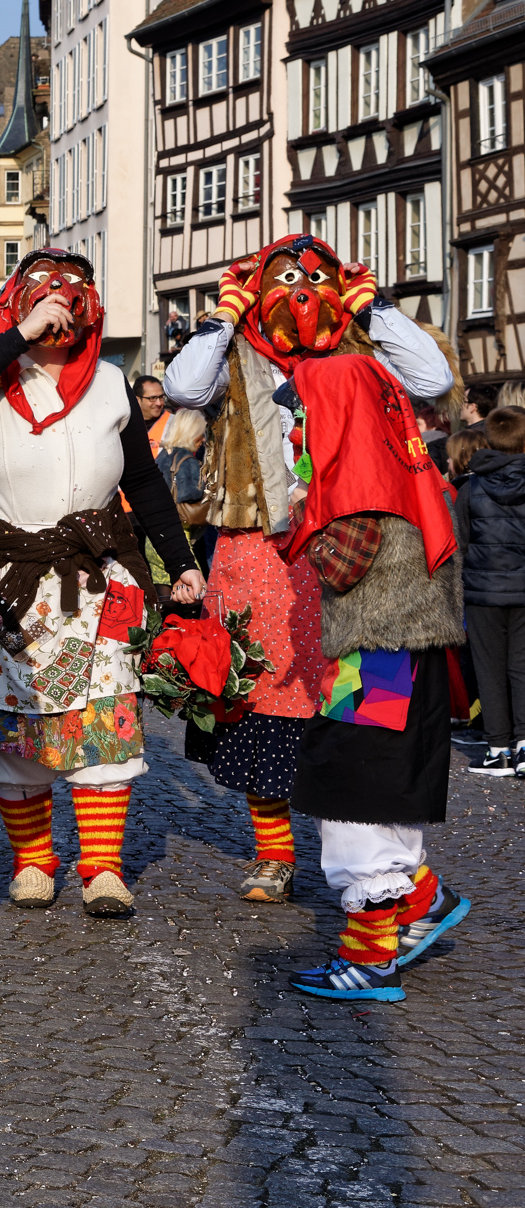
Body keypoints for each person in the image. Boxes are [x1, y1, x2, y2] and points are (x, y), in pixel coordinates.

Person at [164, 233, 455, 903]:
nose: (301, 290)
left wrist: (370, 304)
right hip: (258, 547)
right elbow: (183, 387)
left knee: (363, 707)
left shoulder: (361, 351)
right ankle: (277, 853)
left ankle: (389, 872)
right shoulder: (239, 350)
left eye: (315, 277)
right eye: (286, 277)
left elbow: (434, 379)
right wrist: (225, 314)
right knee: (256, 695)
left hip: (361, 550)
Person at [0, 249, 204, 919]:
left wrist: (185, 559)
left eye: (74, 292)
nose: (62, 302)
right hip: (11, 578)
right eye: (45, 293)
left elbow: (141, 481)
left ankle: (103, 867)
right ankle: (32, 861)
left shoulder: (112, 382)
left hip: (95, 574)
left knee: (106, 715)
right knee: (16, 726)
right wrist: (20, 337)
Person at [283, 322, 471, 1003]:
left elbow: (345, 560)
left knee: (354, 792)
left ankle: (371, 959)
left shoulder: (359, 473)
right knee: (386, 786)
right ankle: (422, 900)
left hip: (378, 650)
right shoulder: (394, 454)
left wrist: (299, 518)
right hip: (403, 647)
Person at [456, 406, 525, 776]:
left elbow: (460, 544)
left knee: (489, 669)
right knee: (522, 668)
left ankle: (498, 748)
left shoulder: (470, 487)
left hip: (483, 593)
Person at [157, 405, 216, 575]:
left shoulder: (164, 454)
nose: (203, 439)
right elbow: (189, 494)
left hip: (160, 530)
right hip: (181, 534)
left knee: (166, 587)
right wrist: (208, 486)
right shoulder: (187, 460)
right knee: (194, 588)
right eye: (201, 432)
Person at [134, 375, 168, 455]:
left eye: (161, 397)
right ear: (137, 400)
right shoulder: (126, 425)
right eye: (152, 398)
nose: (159, 403)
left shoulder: (174, 423)